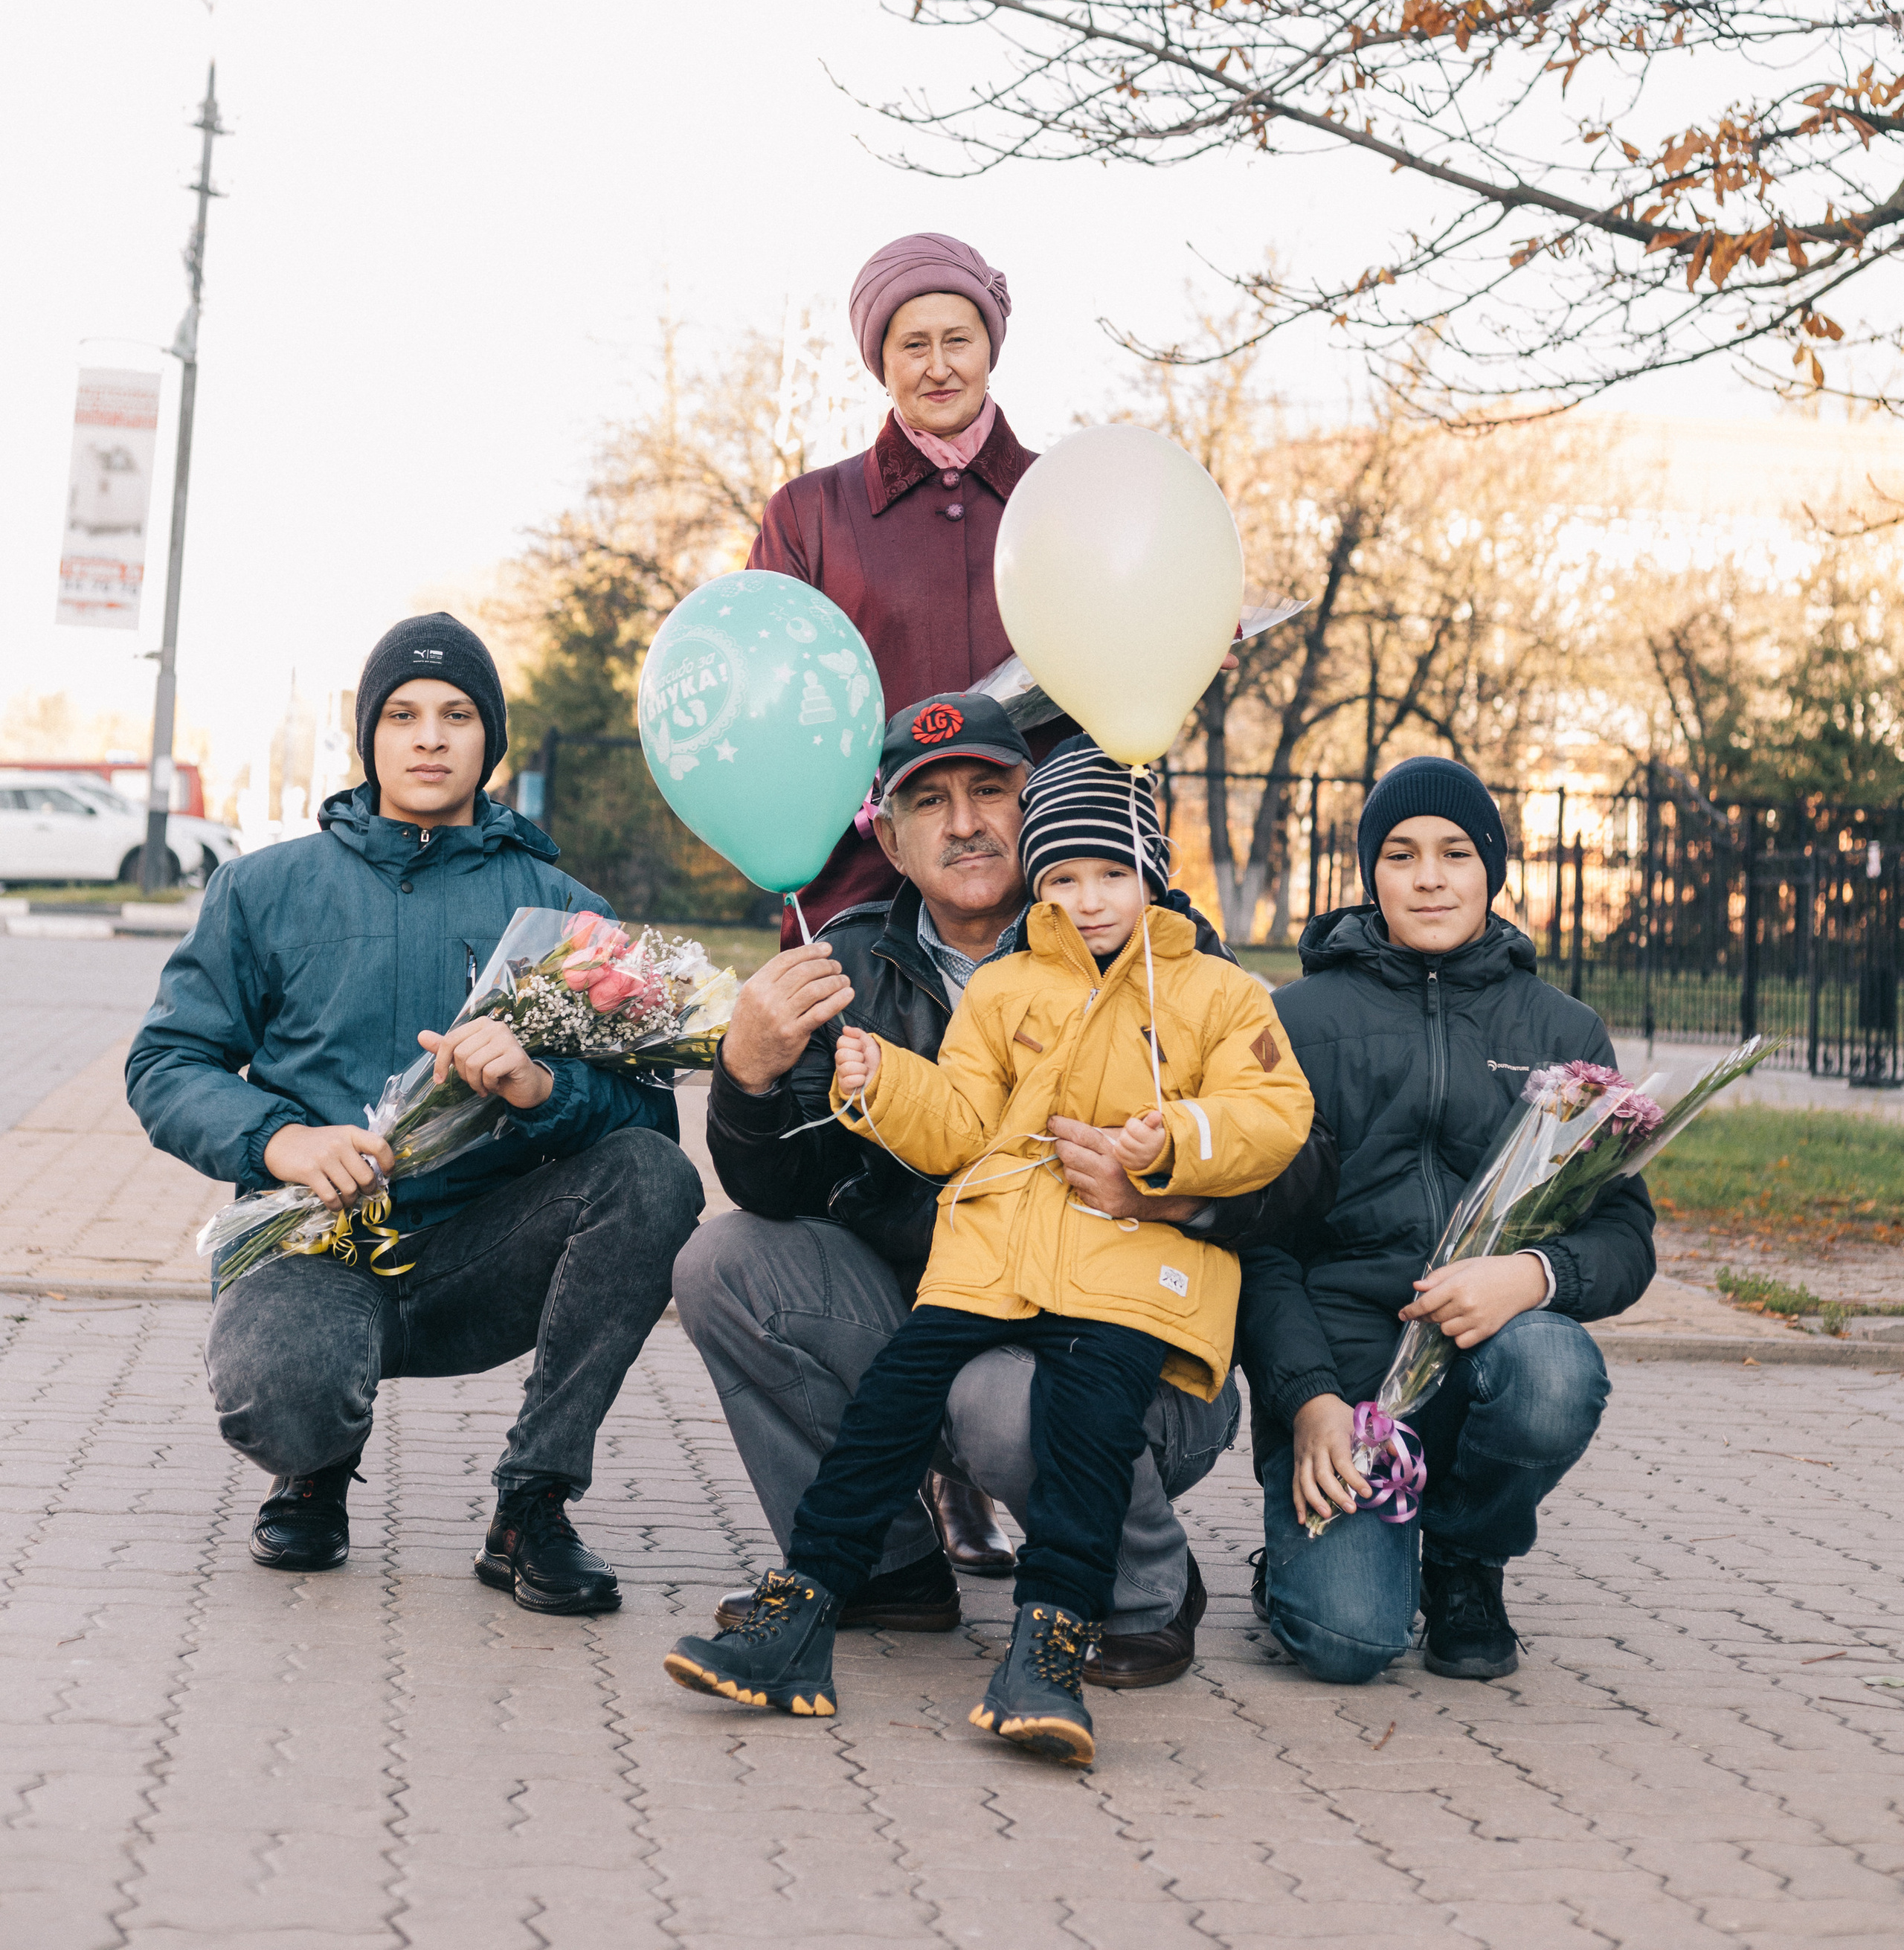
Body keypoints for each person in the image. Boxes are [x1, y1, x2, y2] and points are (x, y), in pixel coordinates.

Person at [663, 737, 1316, 1765]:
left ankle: (1051, 1643)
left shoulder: (1215, 993)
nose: (1090, 899)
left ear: (1155, 871)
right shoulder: (1008, 988)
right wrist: (882, 1083)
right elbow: (964, 1118)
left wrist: (1178, 1151)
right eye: (1064, 878)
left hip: (1126, 1276)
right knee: (893, 1400)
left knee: (1082, 1420)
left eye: (1113, 874)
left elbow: (1276, 1114)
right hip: (995, 1260)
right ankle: (810, 1603)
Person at [124, 611, 704, 1615]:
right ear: (370, 737)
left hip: (484, 1254)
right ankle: (312, 1470)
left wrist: (541, 1090)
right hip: (317, 1246)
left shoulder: (564, 911)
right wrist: (282, 1141)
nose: (430, 737)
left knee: (657, 1180)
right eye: (402, 714)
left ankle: (533, 1504)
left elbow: (649, 1121)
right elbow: (166, 1062)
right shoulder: (265, 889)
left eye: (456, 714)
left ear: (490, 742)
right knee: (282, 1393)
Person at [1238, 754, 1656, 1685]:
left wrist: (1531, 1277)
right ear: (1370, 873)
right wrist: (1304, 1400)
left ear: (1490, 870)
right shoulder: (1295, 1023)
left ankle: (1467, 1557)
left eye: (1455, 853)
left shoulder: (1564, 1031)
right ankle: (1299, 1569)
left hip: (1487, 1360)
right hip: (1346, 1388)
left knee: (1554, 1371)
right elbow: (1254, 1244)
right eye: (1400, 854)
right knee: (1347, 1641)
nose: (1429, 877)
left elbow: (1624, 1234)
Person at [749, 230, 1061, 939]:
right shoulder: (809, 513)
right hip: (862, 890)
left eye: (959, 340)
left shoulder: (1063, 500)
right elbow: (769, 698)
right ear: (880, 363)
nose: (939, 367)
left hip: (1042, 881)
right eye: (913, 346)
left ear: (991, 349)